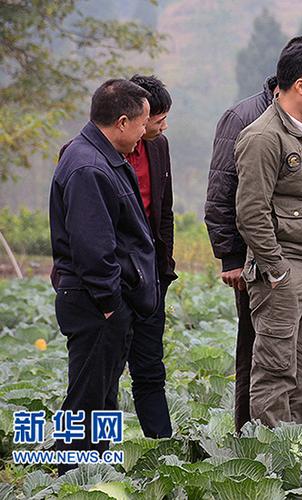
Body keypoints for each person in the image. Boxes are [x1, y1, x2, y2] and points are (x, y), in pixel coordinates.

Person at [205, 36, 302, 432]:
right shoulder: (262, 136)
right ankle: (272, 458)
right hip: (282, 271)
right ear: (301, 85)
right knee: (275, 370)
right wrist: (276, 270)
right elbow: (250, 212)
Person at [49, 79, 158, 473]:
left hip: (106, 306)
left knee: (100, 398)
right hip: (96, 306)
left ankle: (91, 475)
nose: (146, 132)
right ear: (123, 121)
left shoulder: (102, 157)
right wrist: (111, 304)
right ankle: (72, 481)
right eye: (143, 123)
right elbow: (94, 248)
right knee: (86, 400)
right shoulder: (88, 168)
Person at [125, 74, 176, 438]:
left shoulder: (158, 148)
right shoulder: (89, 155)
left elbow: (165, 211)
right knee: (97, 376)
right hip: (110, 280)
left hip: (151, 277)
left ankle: (161, 446)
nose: (162, 126)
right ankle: (79, 460)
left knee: (150, 368)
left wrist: (165, 270)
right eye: (157, 120)